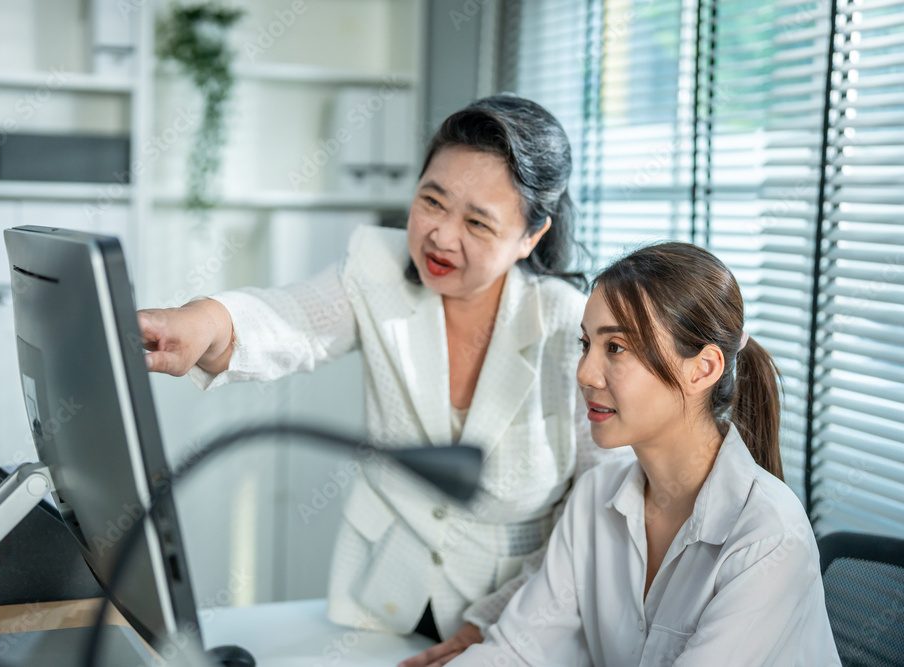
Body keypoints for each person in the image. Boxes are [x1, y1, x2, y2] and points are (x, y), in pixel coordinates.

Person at [138, 95, 618, 664]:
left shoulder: (571, 327)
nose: (440, 235)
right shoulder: (378, 267)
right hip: (382, 601)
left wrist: (495, 630)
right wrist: (202, 320)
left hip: (517, 613)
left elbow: (592, 513)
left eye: (476, 222)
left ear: (530, 237)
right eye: (431, 201)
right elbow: (295, 318)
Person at [448, 242, 841, 666]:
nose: (584, 373)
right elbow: (518, 650)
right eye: (586, 344)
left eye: (615, 347)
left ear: (702, 369)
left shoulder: (768, 536)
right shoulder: (595, 497)